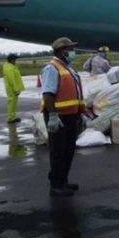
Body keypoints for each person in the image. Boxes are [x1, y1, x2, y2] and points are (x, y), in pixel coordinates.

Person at [40, 37, 85, 197]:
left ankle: (63, 180)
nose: (73, 52)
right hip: (58, 117)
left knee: (68, 151)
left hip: (71, 116)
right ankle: (56, 185)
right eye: (70, 48)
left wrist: (81, 113)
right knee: (58, 152)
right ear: (62, 50)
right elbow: (48, 94)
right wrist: (52, 115)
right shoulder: (51, 68)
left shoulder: (68, 67)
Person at [3, 53, 24, 124]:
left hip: (12, 89)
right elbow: (11, 80)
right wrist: (16, 90)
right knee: (12, 104)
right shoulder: (9, 68)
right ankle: (11, 118)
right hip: (12, 89)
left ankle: (12, 117)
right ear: (11, 60)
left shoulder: (11, 66)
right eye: (15, 59)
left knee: (13, 103)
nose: (15, 61)